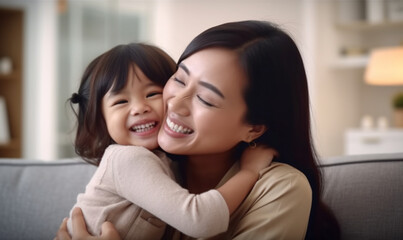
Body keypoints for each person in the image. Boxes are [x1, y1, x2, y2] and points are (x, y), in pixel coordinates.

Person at [56, 20, 340, 239]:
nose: (174, 104)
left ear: (253, 128)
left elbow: (199, 217)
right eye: (178, 80)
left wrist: (248, 174)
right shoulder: (152, 166)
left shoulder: (280, 188)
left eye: (205, 98)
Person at [65, 42, 275, 240]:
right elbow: (200, 220)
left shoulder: (169, 162)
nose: (140, 107)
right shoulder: (127, 159)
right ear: (101, 119)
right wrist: (249, 171)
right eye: (121, 101)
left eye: (152, 93)